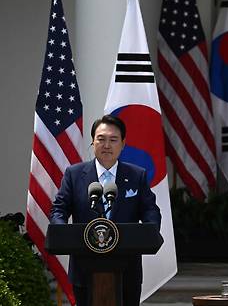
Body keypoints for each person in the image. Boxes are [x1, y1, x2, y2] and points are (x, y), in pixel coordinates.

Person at [50, 114, 161, 306]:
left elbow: (150, 210)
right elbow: (59, 209)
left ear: (123, 144)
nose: (107, 145)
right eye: (101, 139)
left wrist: (149, 231)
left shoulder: (137, 175)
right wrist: (62, 232)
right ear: (93, 142)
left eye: (113, 140)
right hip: (84, 268)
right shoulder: (74, 175)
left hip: (127, 270)